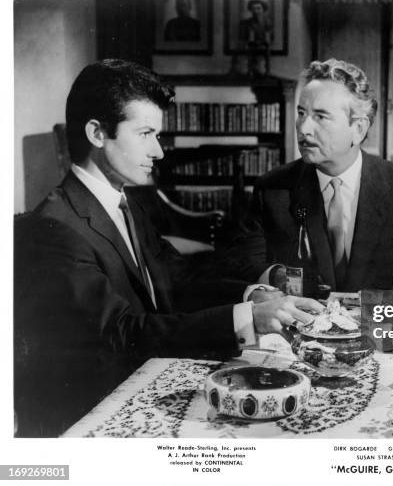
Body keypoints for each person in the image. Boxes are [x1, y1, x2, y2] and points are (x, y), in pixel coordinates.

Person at [13, 59, 322, 437]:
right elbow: (123, 333)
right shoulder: (52, 229)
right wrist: (245, 319)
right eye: (145, 133)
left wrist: (253, 296)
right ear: (96, 133)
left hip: (140, 382)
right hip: (92, 420)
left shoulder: (125, 202)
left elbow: (181, 281)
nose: (158, 152)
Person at [225, 58, 393, 293]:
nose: (304, 128)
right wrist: (276, 276)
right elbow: (242, 259)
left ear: (358, 129)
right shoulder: (273, 188)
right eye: (301, 113)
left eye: (320, 116)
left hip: (380, 323)